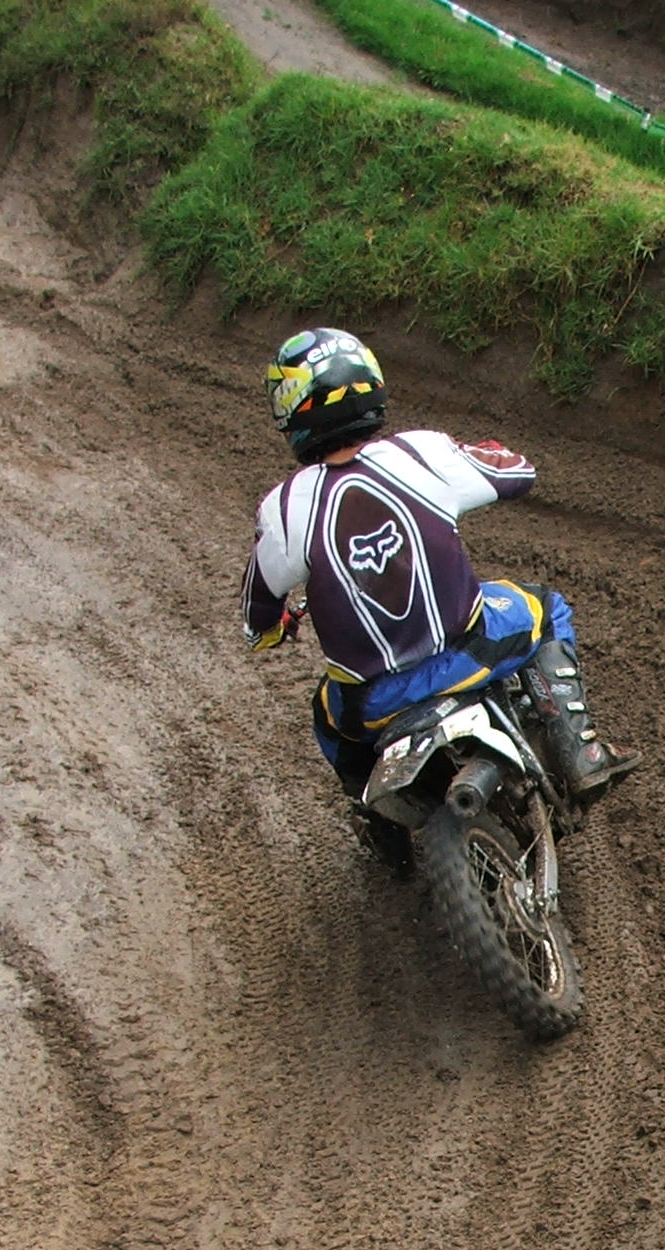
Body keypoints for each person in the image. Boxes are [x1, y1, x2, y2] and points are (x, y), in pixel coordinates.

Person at [241, 327, 638, 867]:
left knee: (325, 718)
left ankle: (380, 827)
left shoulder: (283, 509)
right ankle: (581, 751)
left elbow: (257, 618)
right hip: (470, 652)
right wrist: (484, 453)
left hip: (372, 701)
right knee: (545, 608)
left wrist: (274, 630)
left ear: (291, 411)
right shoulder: (420, 451)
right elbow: (519, 472)